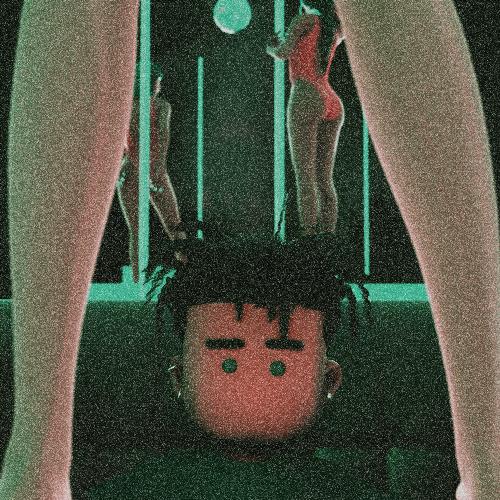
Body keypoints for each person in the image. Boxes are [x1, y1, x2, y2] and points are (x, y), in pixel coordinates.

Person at [0, 0, 497, 499]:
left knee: (306, 175)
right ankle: (490, 465)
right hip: (326, 95)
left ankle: (36, 469)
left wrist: (277, 44)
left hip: (305, 96)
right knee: (320, 177)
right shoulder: (317, 25)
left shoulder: (295, 30)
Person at [267, 0, 345, 236]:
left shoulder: (304, 21)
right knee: (325, 179)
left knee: (305, 177)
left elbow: (283, 53)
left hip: (306, 95)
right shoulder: (334, 28)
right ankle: (328, 236)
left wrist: (270, 46)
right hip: (331, 99)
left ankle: (309, 237)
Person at [117, 62, 187, 282]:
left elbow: (123, 142)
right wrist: (155, 171)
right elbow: (162, 139)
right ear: (152, 83)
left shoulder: (129, 107)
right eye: (158, 82)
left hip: (135, 168)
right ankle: (186, 274)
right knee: (172, 226)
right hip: (147, 168)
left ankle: (141, 279)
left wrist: (129, 164)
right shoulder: (157, 106)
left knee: (140, 230)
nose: (159, 86)